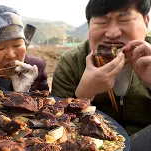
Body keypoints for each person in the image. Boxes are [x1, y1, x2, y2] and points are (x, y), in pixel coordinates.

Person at [51, 0, 151, 135]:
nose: (112, 33)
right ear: (89, 27)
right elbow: (54, 126)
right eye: (102, 23)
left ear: (146, 23)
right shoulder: (71, 62)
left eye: (125, 20)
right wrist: (83, 95)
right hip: (95, 146)